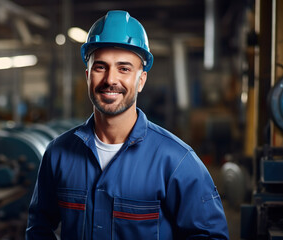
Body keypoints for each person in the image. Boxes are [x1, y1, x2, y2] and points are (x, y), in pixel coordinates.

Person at [26, 10, 229, 240]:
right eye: (100, 67)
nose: (111, 79)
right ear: (88, 75)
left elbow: (210, 236)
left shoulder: (176, 161)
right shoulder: (57, 154)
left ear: (140, 80)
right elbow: (39, 228)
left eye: (124, 68)